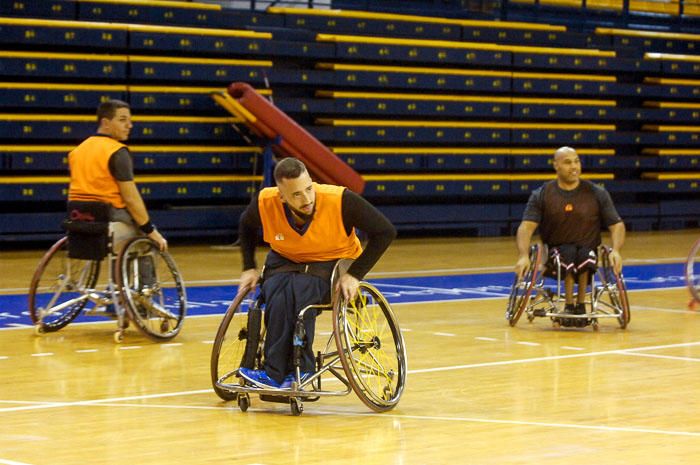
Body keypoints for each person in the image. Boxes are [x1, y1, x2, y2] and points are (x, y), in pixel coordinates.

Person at [236, 157, 396, 389]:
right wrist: (248, 266)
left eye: (309, 189)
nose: (307, 199)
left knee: (298, 291)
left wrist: (355, 274)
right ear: (282, 196)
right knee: (275, 292)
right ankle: (276, 373)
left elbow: (385, 231)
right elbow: (246, 224)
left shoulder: (340, 200)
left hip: (332, 263)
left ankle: (299, 369)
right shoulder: (266, 201)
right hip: (287, 261)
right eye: (297, 195)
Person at [514, 146, 625, 327]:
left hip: (588, 250)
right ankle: (569, 305)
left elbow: (617, 225)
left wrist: (617, 250)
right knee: (568, 254)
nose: (574, 166)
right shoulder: (542, 194)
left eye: (577, 161)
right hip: (556, 252)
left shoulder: (597, 193)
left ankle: (580, 305)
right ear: (556, 165)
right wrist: (523, 255)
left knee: (584, 254)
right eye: (567, 162)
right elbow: (526, 227)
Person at [68, 99, 167, 253]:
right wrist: (150, 230)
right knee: (150, 239)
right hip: (108, 215)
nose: (129, 125)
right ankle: (146, 278)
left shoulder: (78, 150)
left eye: (130, 121)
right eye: (122, 120)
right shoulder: (117, 151)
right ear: (106, 123)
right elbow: (131, 199)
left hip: (77, 215)